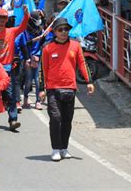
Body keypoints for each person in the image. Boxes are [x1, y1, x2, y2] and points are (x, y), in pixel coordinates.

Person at [41, 17, 95, 161]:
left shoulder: (76, 46)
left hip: (70, 88)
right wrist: (42, 89)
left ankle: (64, 148)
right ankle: (55, 149)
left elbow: (82, 63)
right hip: (53, 88)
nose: (64, 32)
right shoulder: (47, 48)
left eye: (66, 29)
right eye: (60, 29)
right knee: (55, 118)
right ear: (54, 32)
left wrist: (89, 81)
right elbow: (43, 69)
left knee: (67, 120)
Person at [0, 7, 29, 131]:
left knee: (11, 95)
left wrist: (26, 14)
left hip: (7, 70)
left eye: (4, 18)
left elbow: (23, 26)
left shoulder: (11, 32)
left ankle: (13, 120)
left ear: (7, 20)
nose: (1, 20)